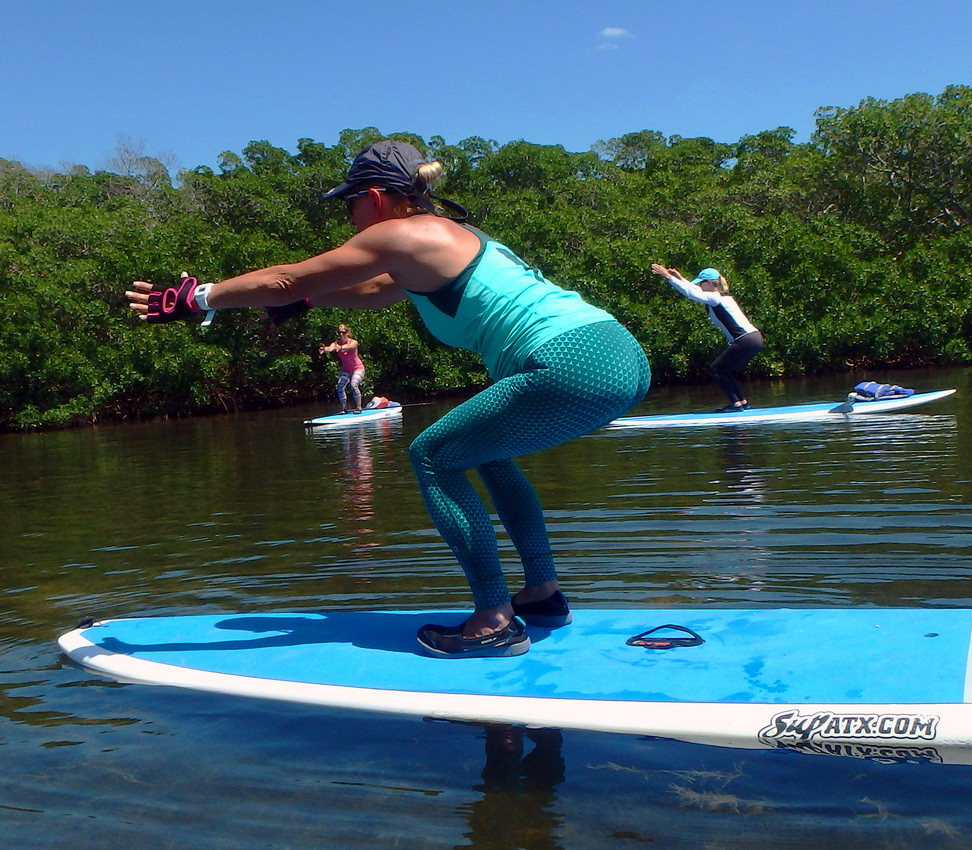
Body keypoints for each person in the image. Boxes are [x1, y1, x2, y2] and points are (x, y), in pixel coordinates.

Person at [127, 140, 650, 659]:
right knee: (486, 456)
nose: (350, 218)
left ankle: (494, 620)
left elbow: (285, 277)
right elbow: (375, 290)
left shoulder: (403, 234)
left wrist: (198, 299)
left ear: (375, 197)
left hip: (571, 360)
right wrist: (307, 299)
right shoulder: (444, 237)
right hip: (612, 353)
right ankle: (542, 596)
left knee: (431, 455)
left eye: (350, 204)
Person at [651, 264, 763, 412]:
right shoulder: (723, 297)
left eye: (702, 283)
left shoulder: (714, 298)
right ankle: (742, 403)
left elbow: (691, 293)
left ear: (710, 283)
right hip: (755, 338)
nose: (700, 286)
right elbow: (695, 289)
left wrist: (669, 278)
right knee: (723, 370)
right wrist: (680, 278)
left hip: (746, 340)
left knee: (716, 370)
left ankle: (736, 405)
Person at [319, 323, 365, 412]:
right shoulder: (336, 343)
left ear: (347, 333)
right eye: (339, 332)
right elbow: (331, 348)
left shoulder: (353, 342)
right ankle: (344, 409)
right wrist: (325, 349)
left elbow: (349, 347)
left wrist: (340, 347)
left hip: (358, 368)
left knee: (354, 385)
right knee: (340, 387)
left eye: (343, 332)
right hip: (346, 370)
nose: (341, 334)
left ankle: (359, 408)